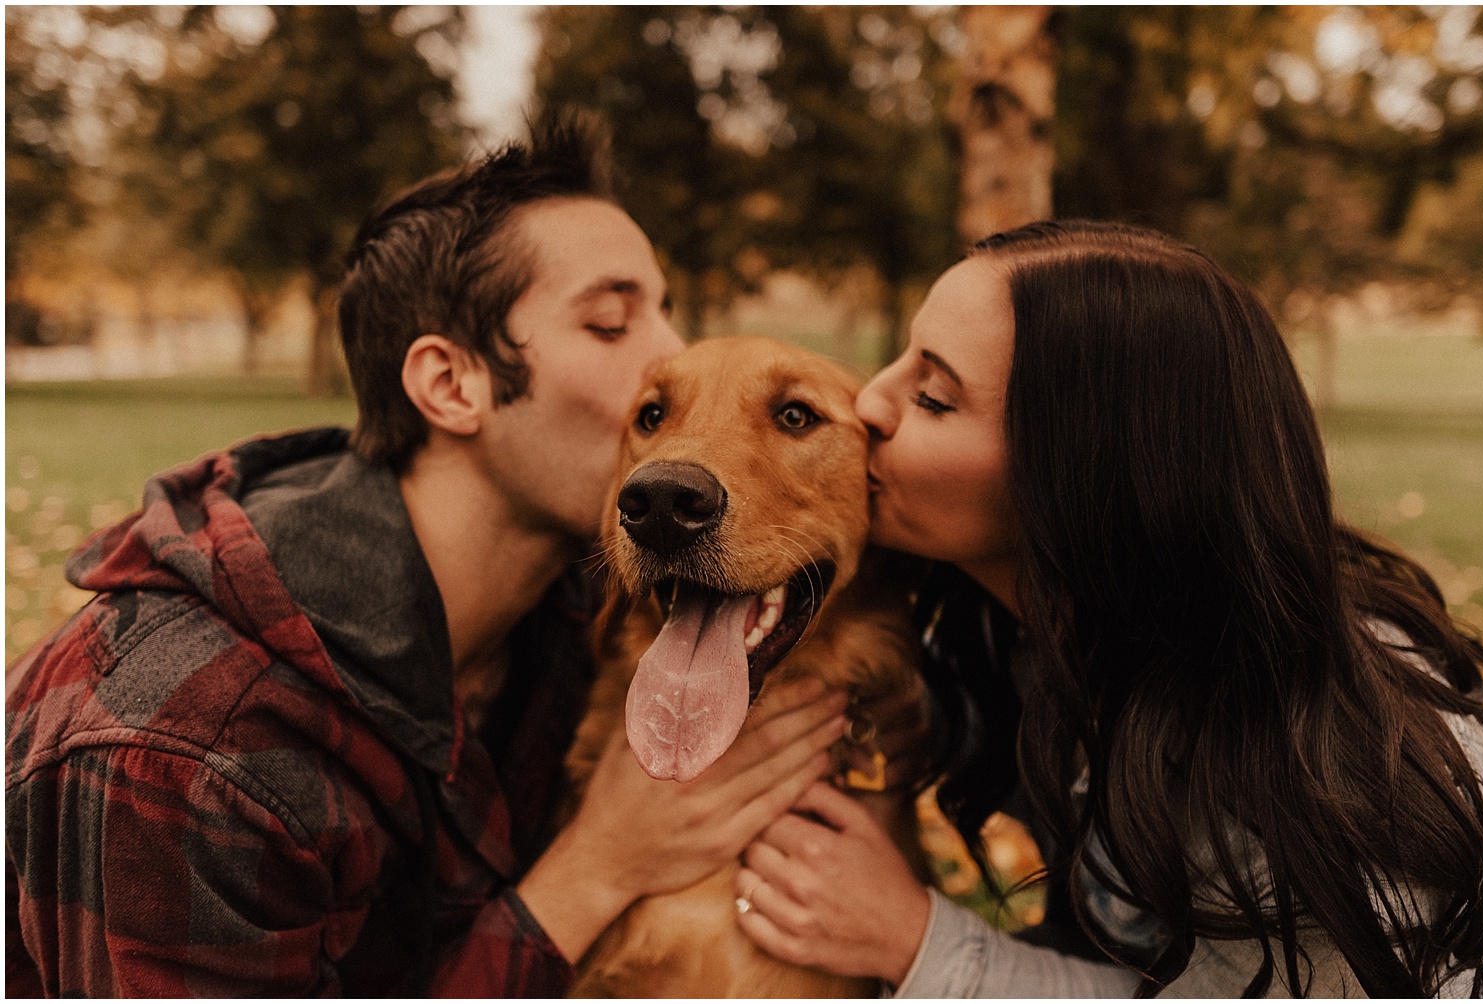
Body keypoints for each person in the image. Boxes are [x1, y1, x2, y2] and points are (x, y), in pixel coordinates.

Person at [5, 115, 851, 996]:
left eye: (666, 313)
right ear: (452, 385)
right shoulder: (183, 751)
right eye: (611, 323)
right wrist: (597, 868)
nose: (680, 360)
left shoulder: (574, 606)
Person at [733, 220, 1483, 997]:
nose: (869, 403)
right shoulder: (1039, 626)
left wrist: (915, 939)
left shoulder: (1323, 785)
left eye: (933, 397)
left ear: (1080, 474)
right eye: (901, 360)